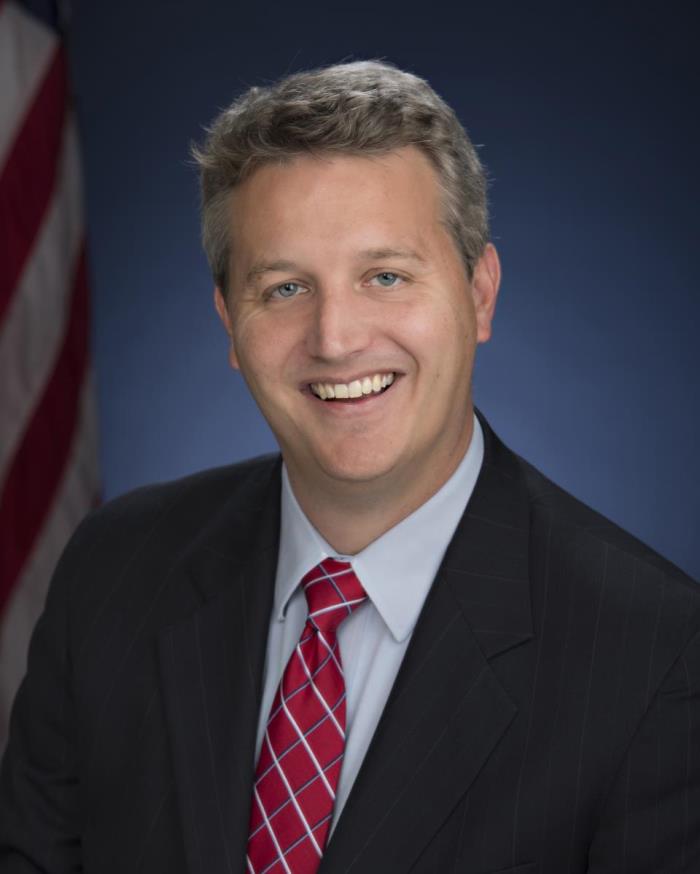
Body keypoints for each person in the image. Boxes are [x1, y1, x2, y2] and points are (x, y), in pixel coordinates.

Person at [0, 60, 698, 874]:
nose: (335, 338)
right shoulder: (115, 569)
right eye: (285, 288)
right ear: (229, 323)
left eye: (386, 276)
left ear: (479, 294)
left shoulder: (653, 654)